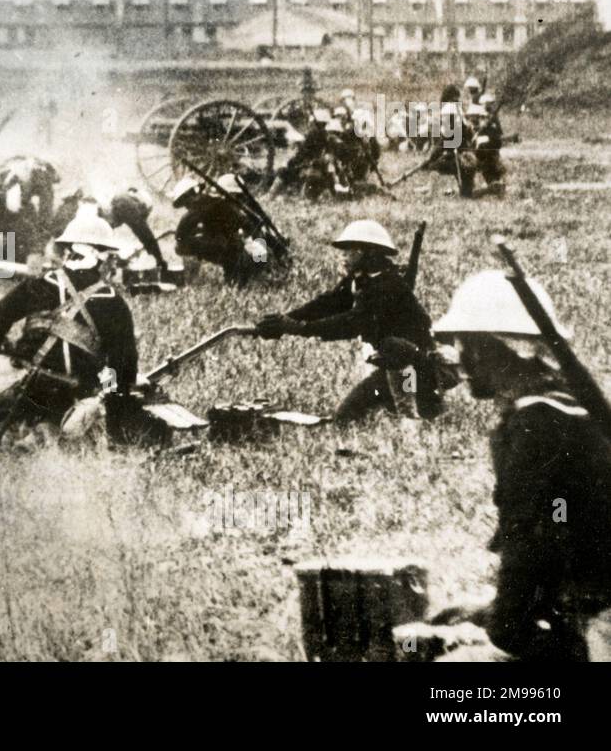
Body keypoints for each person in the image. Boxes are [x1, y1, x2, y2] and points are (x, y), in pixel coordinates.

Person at [431, 270, 611, 660]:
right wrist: (492, 610)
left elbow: (532, 545)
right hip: (583, 602)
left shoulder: (539, 425)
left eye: (463, 343)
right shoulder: (558, 410)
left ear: (484, 349)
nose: (459, 357)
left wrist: (498, 638)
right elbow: (559, 535)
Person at [0, 213, 145, 447]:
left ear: (70, 250)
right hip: (73, 393)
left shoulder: (40, 284)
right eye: (108, 254)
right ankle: (40, 435)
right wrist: (105, 394)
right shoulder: (113, 302)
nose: (110, 261)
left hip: (23, 383)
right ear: (96, 255)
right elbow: (124, 366)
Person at [254, 220, 449, 421]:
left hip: (413, 369)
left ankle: (422, 406)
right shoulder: (363, 279)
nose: (343, 257)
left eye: (349, 251)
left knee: (346, 417)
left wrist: (298, 328)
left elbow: (351, 323)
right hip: (396, 366)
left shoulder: (387, 285)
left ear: (369, 253)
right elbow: (330, 303)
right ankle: (421, 406)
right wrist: (286, 320)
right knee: (362, 411)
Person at [172, 174, 275, 285]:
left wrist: (260, 259)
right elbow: (250, 227)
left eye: (185, 202)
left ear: (191, 195)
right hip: (235, 249)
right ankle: (254, 270)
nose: (186, 206)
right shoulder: (216, 203)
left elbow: (180, 234)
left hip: (231, 249)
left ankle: (255, 270)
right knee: (236, 275)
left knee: (181, 246)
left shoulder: (202, 204)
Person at [474, 93, 507, 194]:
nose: (488, 106)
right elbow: (474, 129)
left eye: (489, 104)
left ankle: (495, 184)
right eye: (486, 104)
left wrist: (490, 126)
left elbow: (499, 132)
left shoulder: (493, 117)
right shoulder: (478, 115)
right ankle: (493, 184)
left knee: (492, 165)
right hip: (483, 146)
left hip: (490, 145)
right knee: (486, 165)